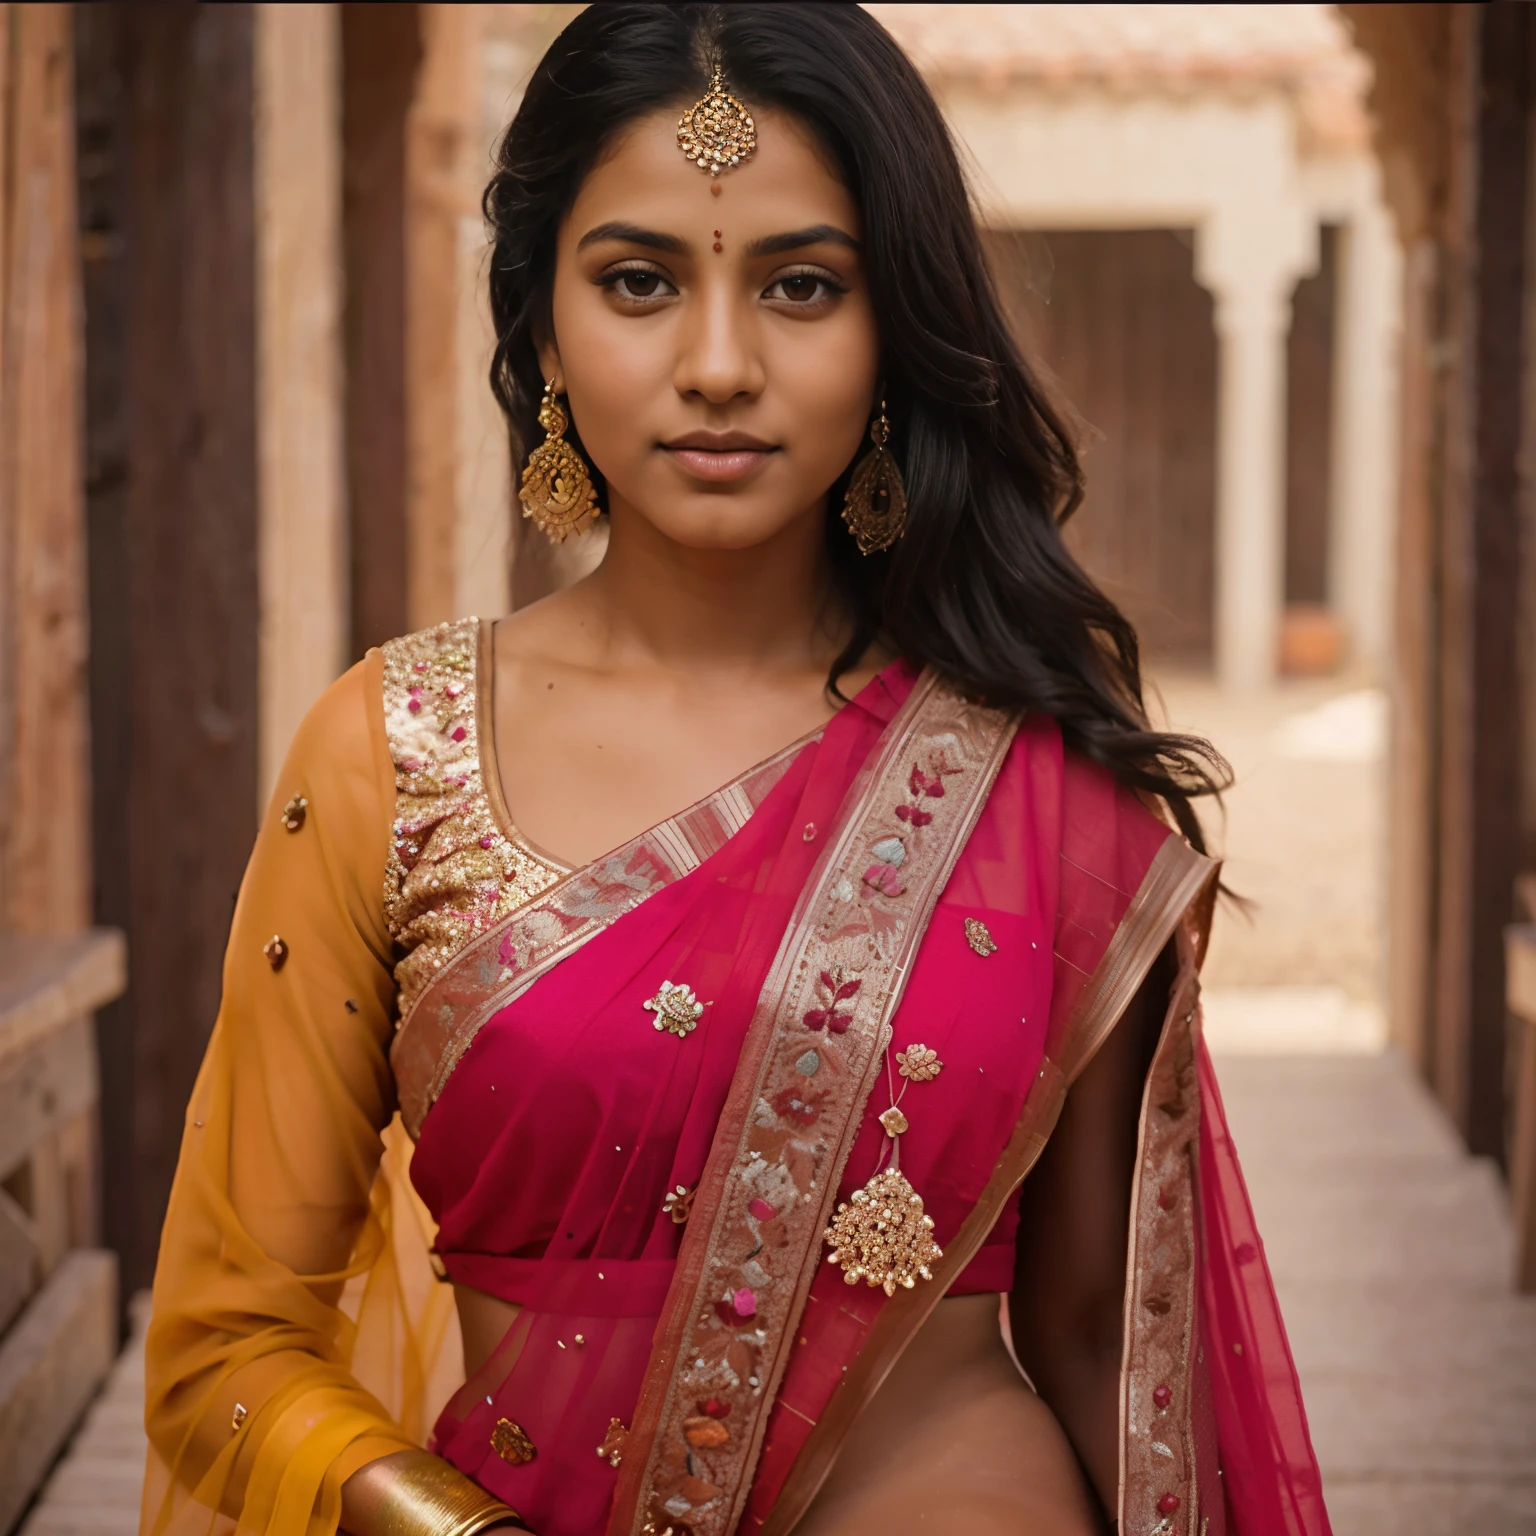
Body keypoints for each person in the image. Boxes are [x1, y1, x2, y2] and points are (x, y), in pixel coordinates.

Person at [141, 7, 1332, 1535]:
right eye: (639, 282)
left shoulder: (1037, 779)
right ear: (543, 316)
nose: (717, 364)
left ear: (895, 323)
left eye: (803, 287)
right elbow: (223, 1348)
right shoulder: (391, 754)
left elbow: (1114, 1340)